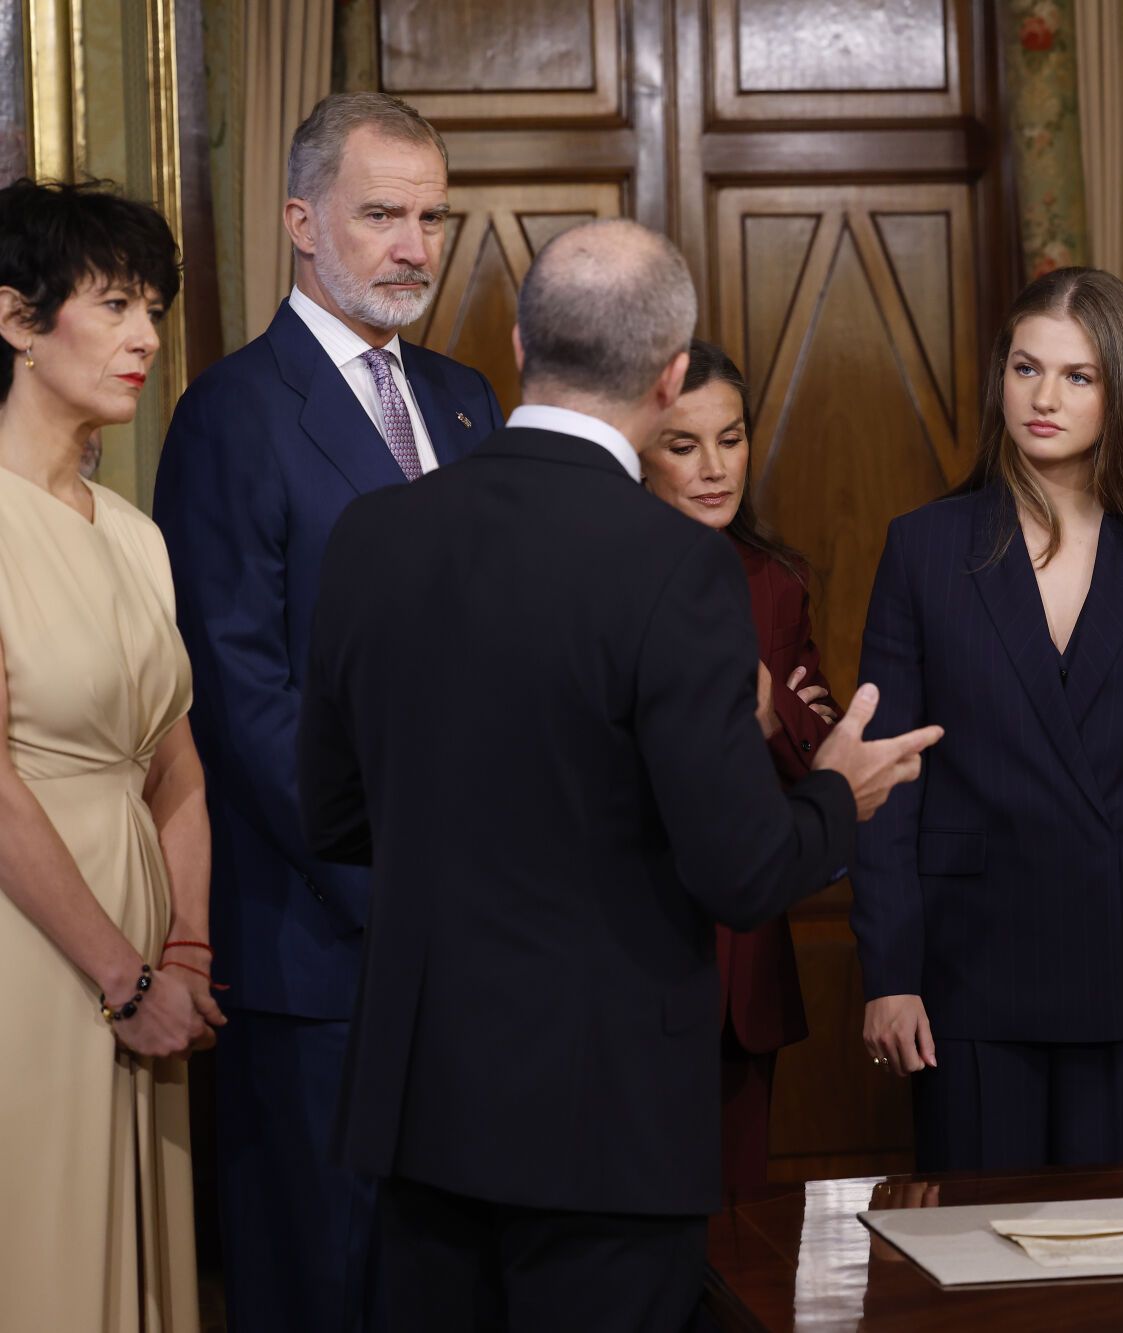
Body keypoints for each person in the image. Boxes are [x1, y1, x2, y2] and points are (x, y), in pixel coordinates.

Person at [298, 219, 940, 1328]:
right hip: (600, 1116)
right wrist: (839, 789)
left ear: (516, 342)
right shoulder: (677, 569)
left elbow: (337, 813)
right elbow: (741, 870)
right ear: (672, 374)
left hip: (421, 1098)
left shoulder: (372, 533)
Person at [150, 91, 503, 1333]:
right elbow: (243, 695)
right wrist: (390, 881)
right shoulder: (231, 415)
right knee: (325, 1281)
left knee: (450, 1285)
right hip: (318, 947)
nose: (414, 244)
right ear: (302, 221)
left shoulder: (468, 403)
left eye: (432, 217)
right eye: (381, 215)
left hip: (474, 948)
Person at [852, 266, 1123, 1171]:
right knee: (986, 1273)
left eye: (1078, 376)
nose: (1044, 397)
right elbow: (887, 782)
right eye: (1026, 369)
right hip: (975, 967)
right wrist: (892, 975)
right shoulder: (926, 546)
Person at [0, 178, 223, 1331]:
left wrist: (181, 951)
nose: (145, 337)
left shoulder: (134, 533)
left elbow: (176, 765)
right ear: (18, 320)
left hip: (145, 952)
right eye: (116, 304)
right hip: (32, 951)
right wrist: (120, 976)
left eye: (155, 309)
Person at [638, 338, 838, 1194]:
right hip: (628, 967)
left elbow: (820, 755)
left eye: (732, 437)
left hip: (744, 972)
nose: (716, 467)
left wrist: (766, 712)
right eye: (684, 445)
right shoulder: (593, 569)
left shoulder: (775, 582)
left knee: (743, 1240)